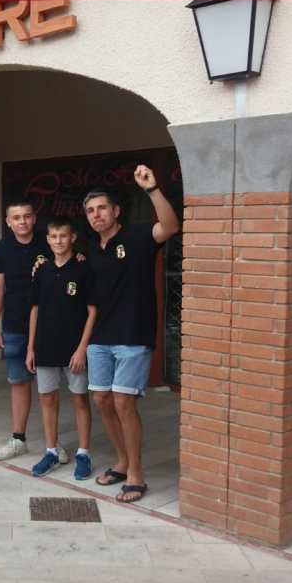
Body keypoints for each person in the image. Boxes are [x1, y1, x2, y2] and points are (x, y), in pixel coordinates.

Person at [83, 165, 179, 503]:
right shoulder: (91, 248)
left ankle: (136, 473)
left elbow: (170, 227)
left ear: (116, 211)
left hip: (133, 334)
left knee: (124, 402)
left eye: (102, 208)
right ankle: (122, 462)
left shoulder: (137, 237)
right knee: (102, 400)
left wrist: (152, 189)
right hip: (100, 336)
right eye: (91, 211)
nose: (97, 215)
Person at [0, 198, 66, 462]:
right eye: (16, 217)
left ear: (34, 218)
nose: (22, 221)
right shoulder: (2, 248)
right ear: (8, 222)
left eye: (27, 216)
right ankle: (18, 439)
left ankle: (53, 444)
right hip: (13, 324)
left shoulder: (48, 242)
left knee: (48, 387)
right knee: (19, 382)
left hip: (48, 324)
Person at [25, 217, 97, 480]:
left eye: (63, 236)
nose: (58, 241)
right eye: (54, 236)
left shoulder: (83, 269)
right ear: (48, 239)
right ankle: (51, 451)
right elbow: (34, 310)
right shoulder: (42, 270)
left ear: (72, 237)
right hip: (45, 346)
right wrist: (31, 348)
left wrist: (82, 349)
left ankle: (83, 453)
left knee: (79, 399)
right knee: (47, 399)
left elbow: (92, 312)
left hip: (73, 349)